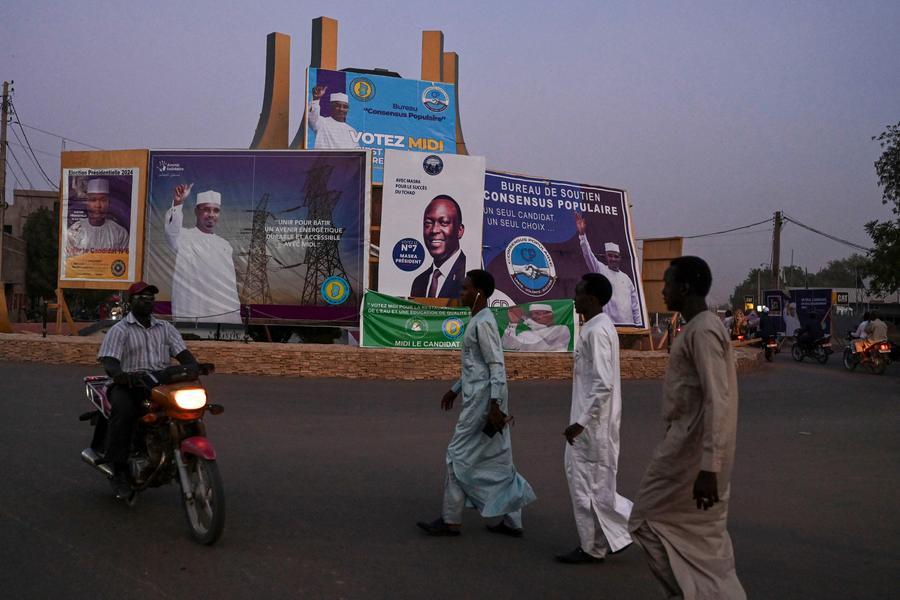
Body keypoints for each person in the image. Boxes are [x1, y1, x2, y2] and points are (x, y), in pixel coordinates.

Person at [628, 256, 746, 599]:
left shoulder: (704, 329)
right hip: (684, 447)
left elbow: (717, 399)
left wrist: (709, 467)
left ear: (684, 287)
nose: (662, 291)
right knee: (702, 540)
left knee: (644, 521)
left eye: (667, 283)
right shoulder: (696, 327)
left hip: (691, 456)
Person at [417, 269, 536, 537]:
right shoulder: (478, 319)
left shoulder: (483, 322)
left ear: (479, 292)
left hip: (483, 402)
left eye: (465, 289)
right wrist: (455, 389)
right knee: (500, 459)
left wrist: (494, 405)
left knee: (455, 455)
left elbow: (496, 365)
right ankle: (513, 520)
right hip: (481, 397)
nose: (461, 293)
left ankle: (450, 520)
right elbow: (475, 366)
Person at [557, 273, 633, 564]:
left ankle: (634, 525)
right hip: (593, 423)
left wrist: (581, 422)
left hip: (592, 426)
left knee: (587, 488)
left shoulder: (596, 331)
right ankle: (594, 545)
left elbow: (603, 383)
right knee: (592, 487)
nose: (574, 298)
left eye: (578, 293)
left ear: (591, 298)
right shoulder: (597, 327)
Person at [97, 281, 197, 499]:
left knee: (189, 410)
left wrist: (194, 366)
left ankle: (188, 458)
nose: (147, 301)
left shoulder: (166, 328)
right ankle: (119, 470)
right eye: (141, 297)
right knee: (124, 413)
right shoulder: (120, 330)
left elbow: (184, 355)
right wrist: (120, 375)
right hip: (130, 384)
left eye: (151, 298)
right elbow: (110, 362)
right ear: (130, 302)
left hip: (161, 383)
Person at [164, 184, 242, 324]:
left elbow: (230, 290)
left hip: (222, 316)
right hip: (192, 314)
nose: (211, 214)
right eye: (206, 209)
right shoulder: (183, 236)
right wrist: (178, 203)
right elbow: (171, 230)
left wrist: (235, 319)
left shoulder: (225, 245)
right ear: (196, 211)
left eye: (216, 210)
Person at [574, 212, 642, 325]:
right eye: (610, 255)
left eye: (616, 256)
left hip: (628, 327)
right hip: (608, 325)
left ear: (620, 258)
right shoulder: (601, 270)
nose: (613, 259)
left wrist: (639, 325)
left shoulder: (626, 279)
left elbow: (635, 306)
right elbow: (588, 254)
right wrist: (582, 235)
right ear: (606, 257)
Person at [410, 195, 467, 299]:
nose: (434, 230)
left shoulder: (470, 276)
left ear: (459, 230)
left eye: (444, 222)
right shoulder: (419, 282)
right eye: (428, 224)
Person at [66, 178, 129, 256]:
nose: (98, 205)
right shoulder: (74, 231)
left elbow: (123, 263)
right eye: (93, 200)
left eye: (103, 200)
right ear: (87, 203)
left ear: (108, 203)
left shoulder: (119, 233)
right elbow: (69, 262)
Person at [501, 303, 571, 352]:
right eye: (531, 314)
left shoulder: (562, 329)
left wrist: (525, 318)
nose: (533, 317)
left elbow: (549, 337)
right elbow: (508, 346)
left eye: (537, 313)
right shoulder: (525, 334)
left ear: (550, 316)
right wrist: (512, 324)